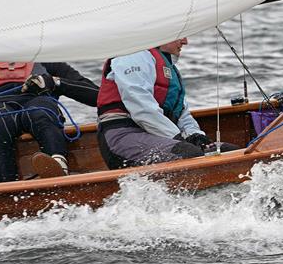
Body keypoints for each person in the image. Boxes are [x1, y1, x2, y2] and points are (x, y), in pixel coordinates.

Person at [96, 37, 238, 169]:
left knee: (226, 151)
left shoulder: (168, 67)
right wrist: (178, 138)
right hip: (122, 135)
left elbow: (182, 114)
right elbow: (142, 110)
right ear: (161, 33)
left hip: (159, 135)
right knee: (187, 153)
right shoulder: (132, 55)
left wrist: (196, 135)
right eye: (180, 35)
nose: (185, 41)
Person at [0, 62, 99, 182]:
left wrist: (55, 82)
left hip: (38, 101)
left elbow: (96, 96)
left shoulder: (48, 60)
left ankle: (58, 166)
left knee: (40, 114)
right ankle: (5, 188)